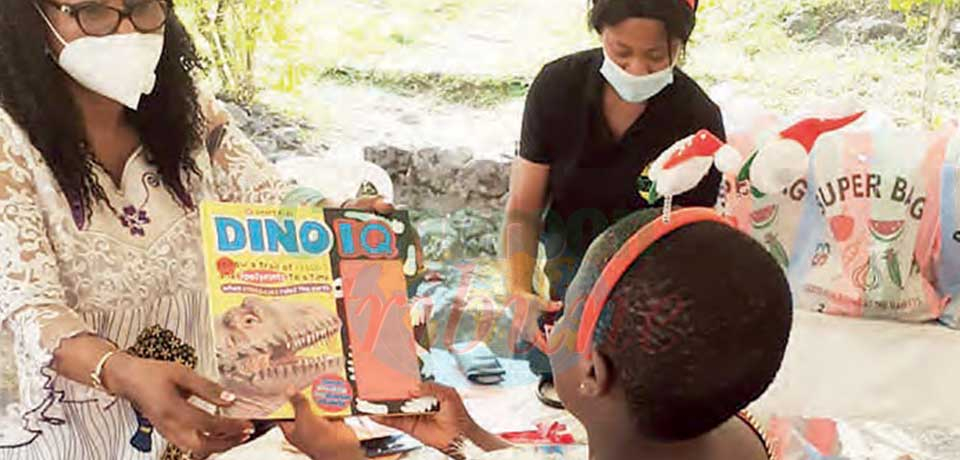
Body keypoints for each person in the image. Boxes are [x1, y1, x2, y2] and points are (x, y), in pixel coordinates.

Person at [0, 1, 390, 458]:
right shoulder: (10, 144)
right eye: (95, 12)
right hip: (84, 438)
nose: (126, 32)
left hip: (213, 425)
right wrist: (120, 370)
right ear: (31, 20)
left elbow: (267, 192)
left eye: (143, 7)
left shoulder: (187, 111)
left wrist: (335, 217)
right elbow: (31, 308)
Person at [284, 207, 793, 460]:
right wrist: (473, 440)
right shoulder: (747, 432)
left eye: (567, 311)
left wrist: (342, 456)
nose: (555, 320)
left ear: (593, 370)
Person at [502, 0, 725, 407]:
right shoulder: (557, 89)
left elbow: (696, 241)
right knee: (563, 377)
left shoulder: (697, 119)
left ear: (680, 44)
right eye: (621, 52)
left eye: (656, 56)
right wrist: (519, 289)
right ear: (599, 33)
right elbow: (522, 207)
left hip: (650, 296)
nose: (637, 69)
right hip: (567, 282)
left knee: (635, 394)